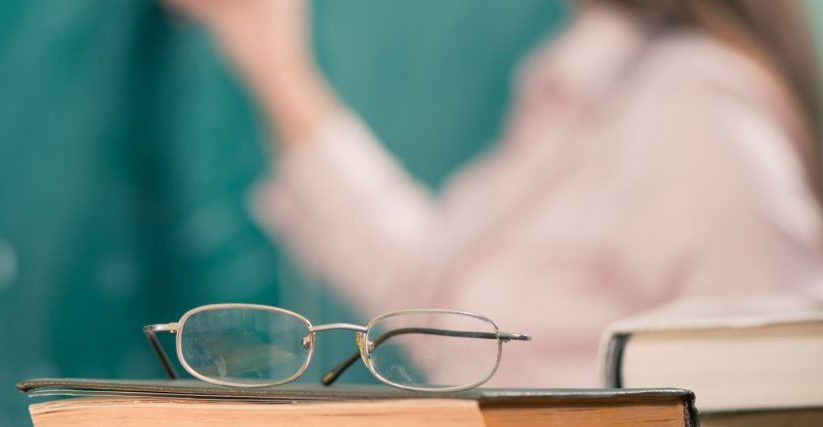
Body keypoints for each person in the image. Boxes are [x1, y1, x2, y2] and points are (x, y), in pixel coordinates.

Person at [163, 0, 823, 387]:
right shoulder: (587, 85)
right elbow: (436, 303)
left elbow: (774, 386)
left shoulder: (695, 108)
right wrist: (277, 70)